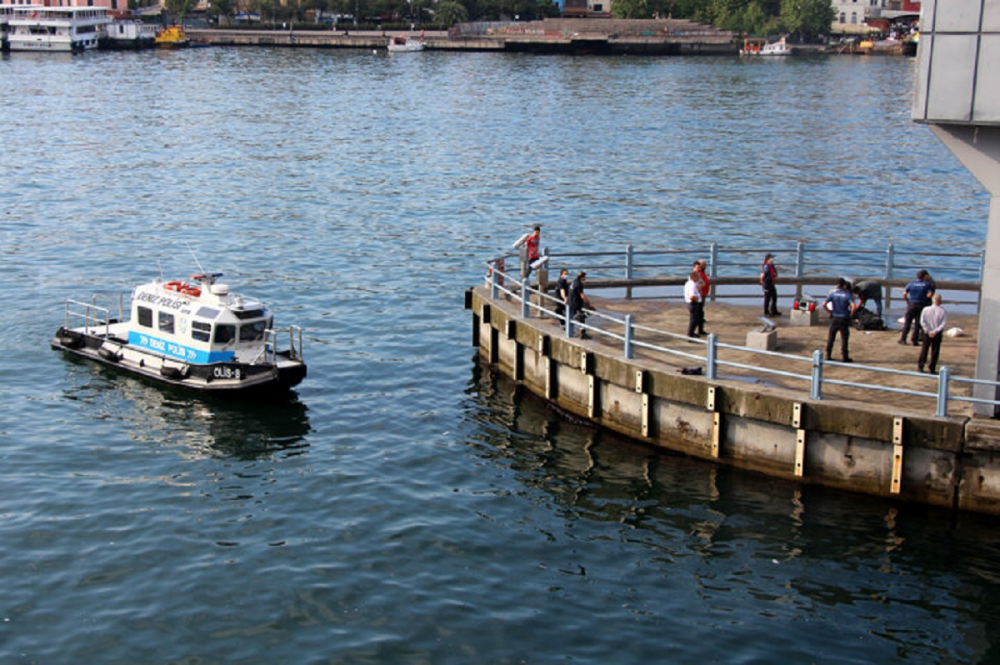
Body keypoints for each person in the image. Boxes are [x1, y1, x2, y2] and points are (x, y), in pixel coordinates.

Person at [824, 278, 857, 362]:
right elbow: (853, 307)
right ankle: (845, 356)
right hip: (844, 318)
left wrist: (829, 312)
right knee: (844, 338)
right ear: (844, 285)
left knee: (831, 337)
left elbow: (824, 304)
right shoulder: (847, 295)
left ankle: (828, 355)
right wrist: (851, 315)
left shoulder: (833, 294)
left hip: (835, 317)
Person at [900, 269, 934, 346]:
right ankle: (914, 340)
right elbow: (930, 294)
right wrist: (925, 297)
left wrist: (907, 301)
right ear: (924, 276)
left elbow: (904, 294)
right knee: (917, 324)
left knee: (907, 322)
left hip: (912, 304)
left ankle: (903, 339)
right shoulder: (926, 284)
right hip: (921, 304)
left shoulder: (911, 284)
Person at [918, 293, 947, 373]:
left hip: (927, 333)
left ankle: (921, 366)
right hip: (937, 333)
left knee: (924, 349)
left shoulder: (926, 309)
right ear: (940, 301)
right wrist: (935, 331)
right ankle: (932, 368)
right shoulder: (942, 311)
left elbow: (922, 321)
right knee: (935, 351)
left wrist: (927, 330)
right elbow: (943, 324)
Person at [568, 271, 593, 339]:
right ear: (582, 277)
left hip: (571, 301)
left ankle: (582, 330)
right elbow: (582, 296)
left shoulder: (574, 281)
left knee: (581, 316)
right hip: (576, 302)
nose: (585, 278)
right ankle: (578, 317)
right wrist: (588, 303)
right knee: (591, 310)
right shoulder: (579, 284)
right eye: (584, 277)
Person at [684, 270, 704, 339]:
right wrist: (696, 299)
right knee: (694, 320)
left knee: (696, 319)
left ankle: (692, 333)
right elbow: (692, 296)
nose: (699, 277)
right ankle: (690, 334)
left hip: (691, 303)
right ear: (693, 277)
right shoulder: (692, 285)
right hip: (693, 304)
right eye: (697, 276)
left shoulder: (689, 283)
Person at [694, 259, 710, 335]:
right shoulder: (698, 274)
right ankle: (697, 330)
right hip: (700, 294)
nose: (705, 266)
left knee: (700, 312)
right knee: (698, 313)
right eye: (704, 265)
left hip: (703, 294)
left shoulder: (702, 273)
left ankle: (700, 329)